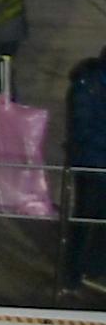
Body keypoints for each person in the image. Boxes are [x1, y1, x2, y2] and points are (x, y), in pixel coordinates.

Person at [67, 48, 106, 290]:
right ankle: (73, 273)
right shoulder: (88, 85)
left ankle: (94, 269)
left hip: (97, 160)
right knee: (84, 219)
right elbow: (83, 128)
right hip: (92, 164)